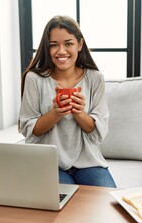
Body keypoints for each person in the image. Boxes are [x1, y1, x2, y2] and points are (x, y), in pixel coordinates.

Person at [18, 15, 116, 188]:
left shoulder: (95, 78)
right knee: (64, 208)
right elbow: (30, 131)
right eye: (54, 45)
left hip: (89, 163)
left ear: (79, 44)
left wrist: (78, 112)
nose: (61, 51)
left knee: (107, 203)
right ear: (47, 48)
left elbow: (97, 132)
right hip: (49, 164)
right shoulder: (34, 79)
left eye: (68, 43)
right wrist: (56, 113)